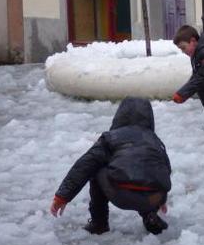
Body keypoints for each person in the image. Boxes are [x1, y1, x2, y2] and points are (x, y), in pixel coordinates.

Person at [49, 97, 171, 235]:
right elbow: (165, 170)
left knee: (96, 167)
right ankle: (150, 216)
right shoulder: (155, 141)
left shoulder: (110, 138)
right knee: (147, 170)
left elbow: (85, 164)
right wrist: (161, 198)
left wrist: (62, 196)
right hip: (154, 196)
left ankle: (99, 224)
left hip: (122, 195)